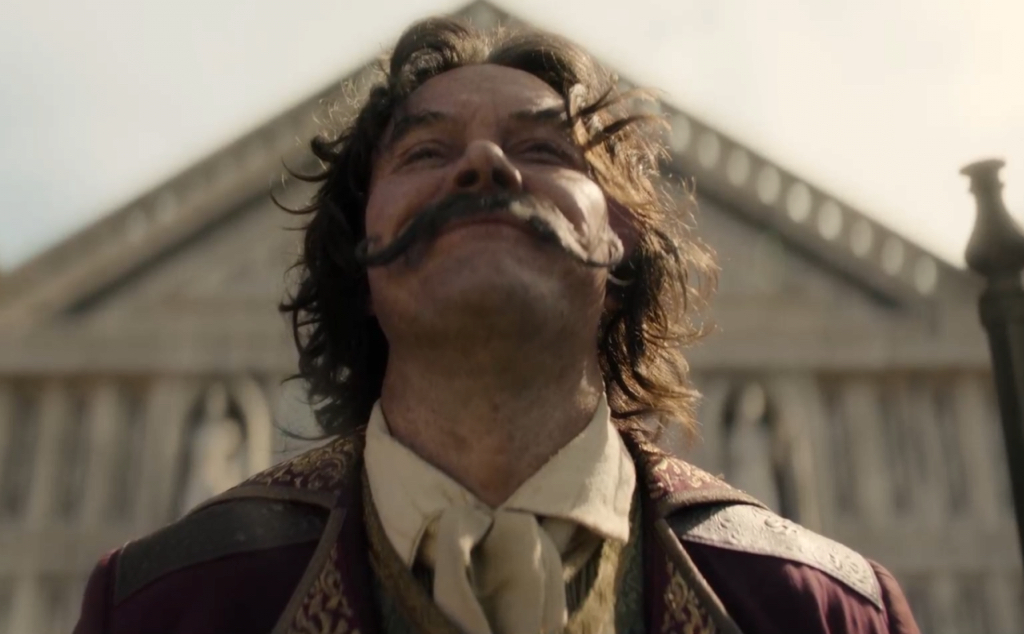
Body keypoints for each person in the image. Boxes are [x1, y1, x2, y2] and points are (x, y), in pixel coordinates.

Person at [73, 17, 920, 634]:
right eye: (426, 153)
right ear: (359, 257)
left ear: (618, 248)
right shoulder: (170, 605)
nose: (485, 162)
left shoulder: (815, 608)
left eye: (544, 150)